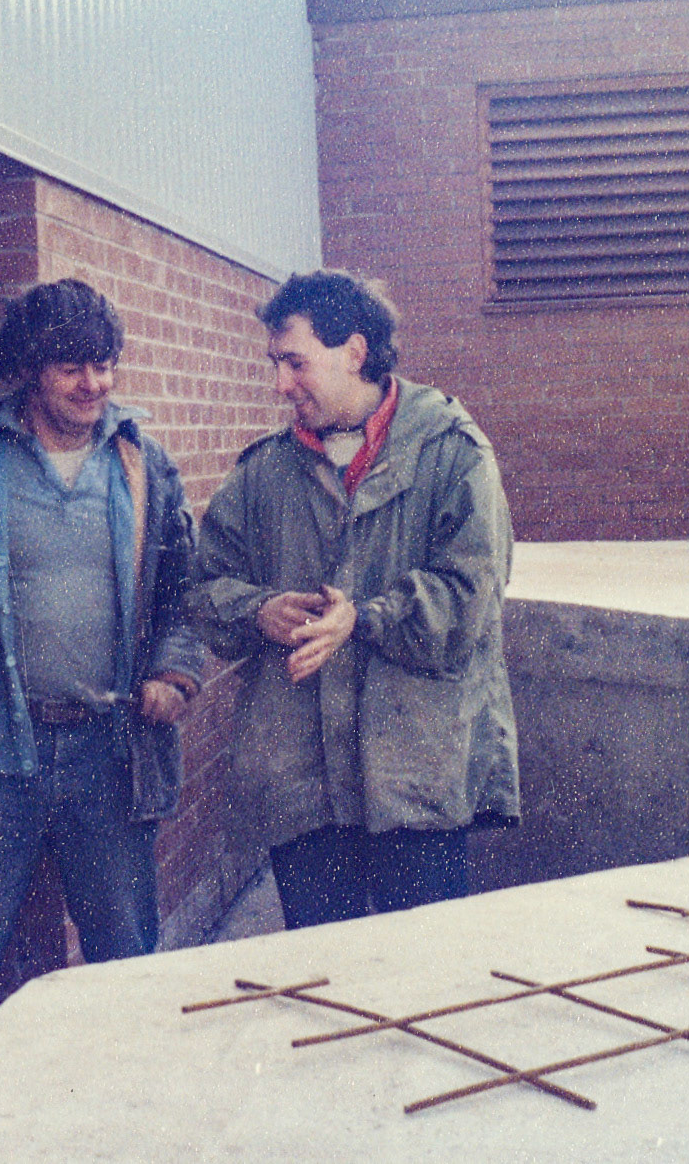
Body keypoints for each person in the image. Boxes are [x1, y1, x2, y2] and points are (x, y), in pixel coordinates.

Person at [0, 279, 204, 1062]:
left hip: (110, 751)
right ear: (30, 369)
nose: (93, 384)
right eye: (72, 367)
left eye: (104, 365)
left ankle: (132, 1106)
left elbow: (183, 591)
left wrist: (174, 673)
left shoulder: (143, 463)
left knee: (126, 961)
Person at [188, 269, 518, 929]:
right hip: (302, 789)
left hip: (416, 782)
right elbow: (200, 586)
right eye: (275, 364)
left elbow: (469, 598)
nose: (280, 384)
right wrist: (257, 611)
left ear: (355, 352)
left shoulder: (453, 453)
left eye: (295, 363)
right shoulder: (262, 472)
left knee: (422, 971)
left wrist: (363, 619)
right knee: (322, 974)